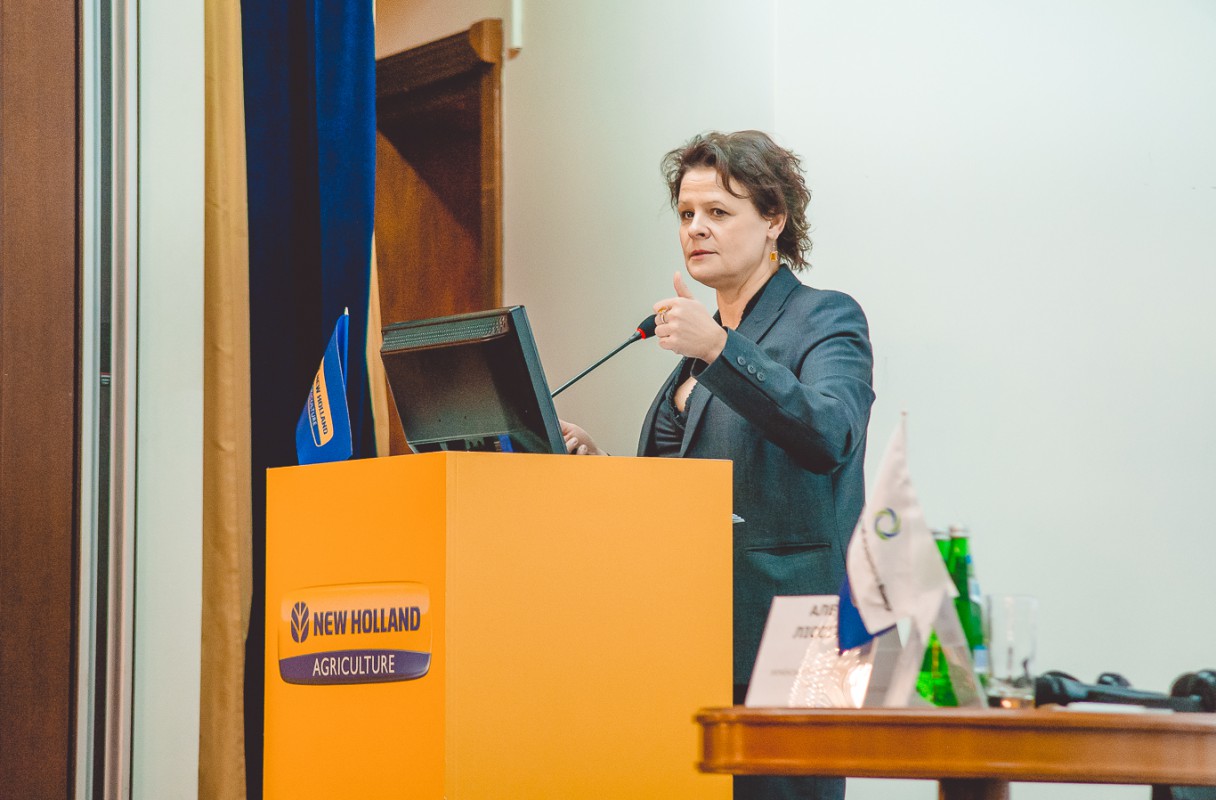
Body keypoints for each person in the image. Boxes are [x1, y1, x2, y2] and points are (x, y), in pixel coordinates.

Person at [562, 130, 874, 800]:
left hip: (794, 635)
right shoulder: (700, 346)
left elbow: (831, 433)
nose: (696, 229)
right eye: (685, 214)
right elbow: (685, 494)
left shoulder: (826, 318)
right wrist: (600, 465)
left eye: (718, 212)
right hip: (692, 631)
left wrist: (719, 350)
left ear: (774, 220)